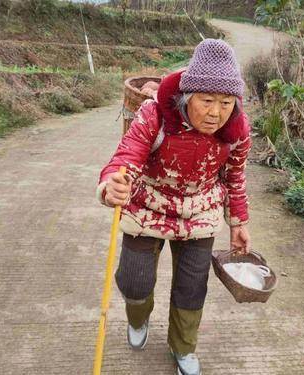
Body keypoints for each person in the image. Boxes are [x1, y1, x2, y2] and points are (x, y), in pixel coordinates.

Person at [96, 38, 252, 375]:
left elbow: (235, 177)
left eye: (226, 102)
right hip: (148, 205)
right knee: (134, 281)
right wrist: (112, 184)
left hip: (200, 212)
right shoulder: (154, 113)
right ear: (186, 97)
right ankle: (138, 319)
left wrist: (238, 221)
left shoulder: (236, 132)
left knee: (192, 287)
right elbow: (126, 155)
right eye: (207, 100)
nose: (215, 113)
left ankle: (182, 346)